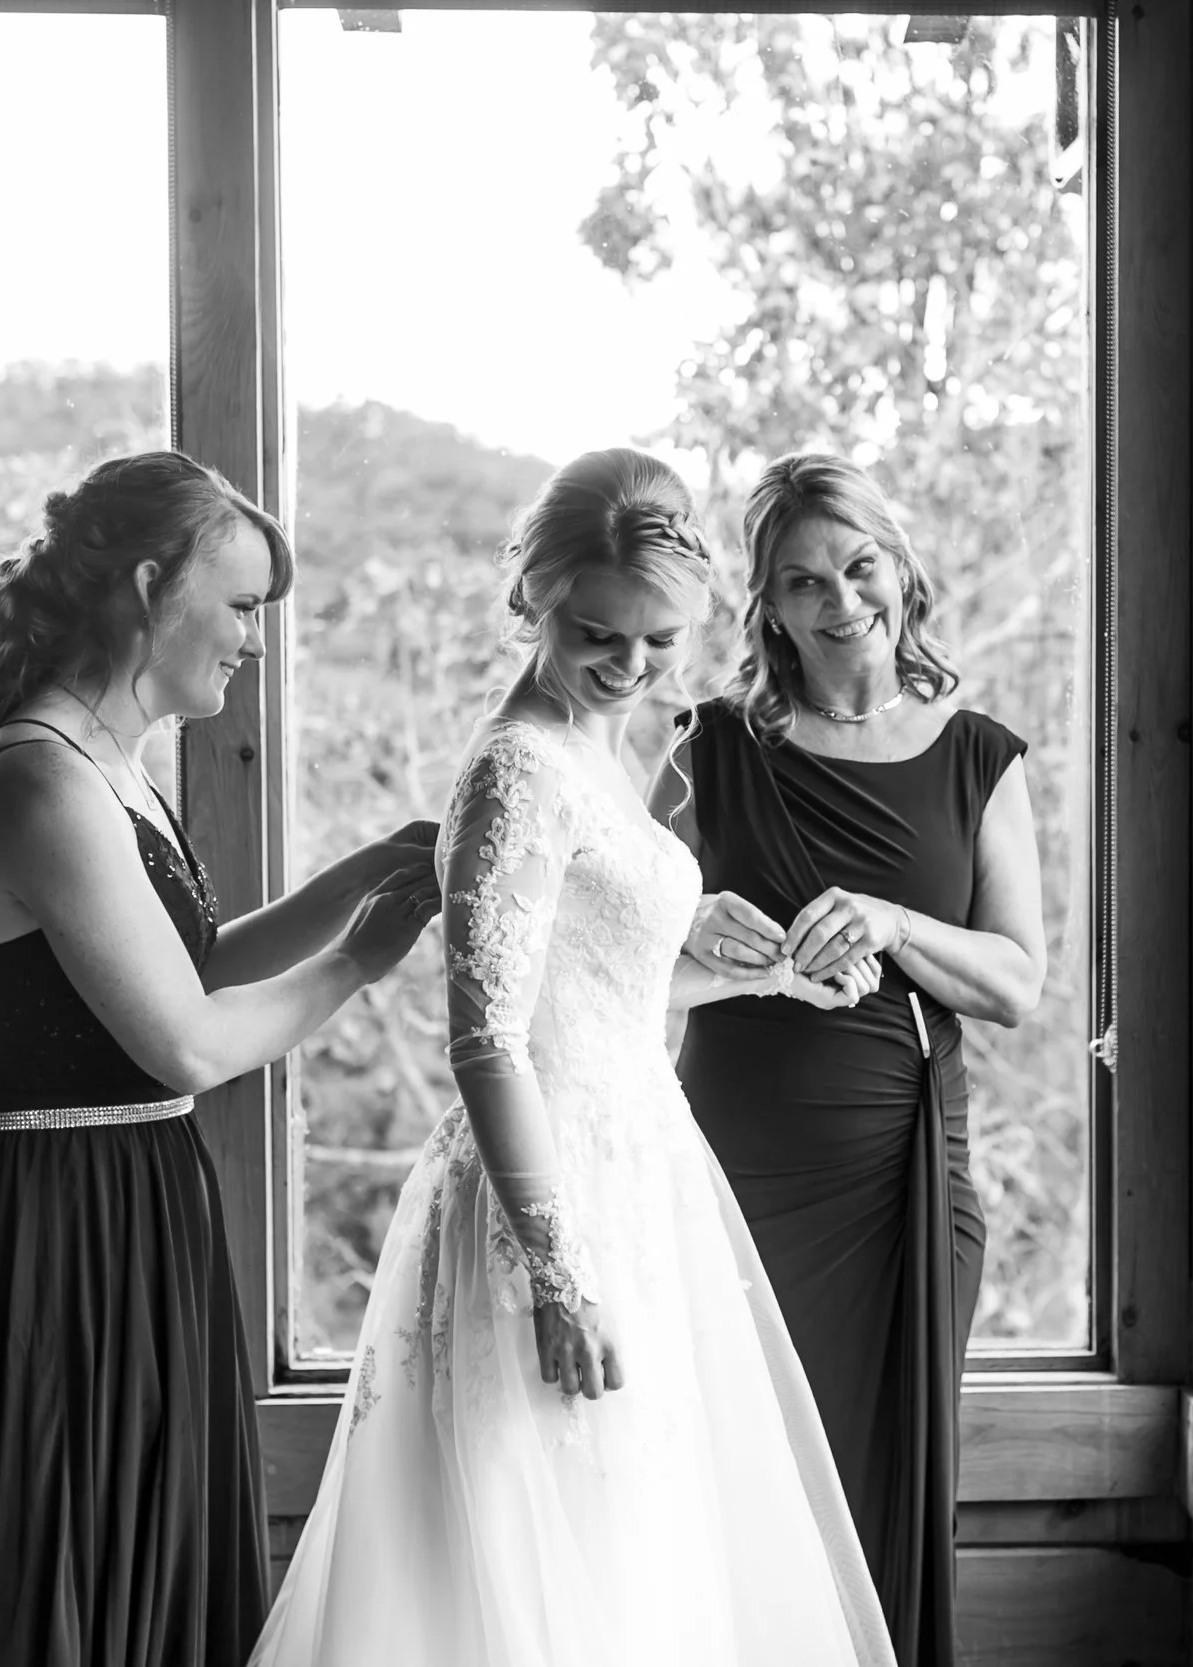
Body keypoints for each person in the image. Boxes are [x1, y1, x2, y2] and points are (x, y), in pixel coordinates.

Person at [251, 448, 896, 1667]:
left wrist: (778, 974)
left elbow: (601, 997)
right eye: (599, 634)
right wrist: (558, 1273)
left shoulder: (608, 745)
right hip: (550, 1202)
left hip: (641, 1175)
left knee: (640, 1545)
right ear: (532, 600)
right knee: (546, 1544)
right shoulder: (517, 771)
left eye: (660, 640)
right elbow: (489, 1039)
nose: (632, 665)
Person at [0, 451, 441, 1667]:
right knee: (62, 1562)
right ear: (146, 585)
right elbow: (185, 1039)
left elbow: (193, 965)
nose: (254, 641)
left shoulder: (105, 761)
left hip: (139, 1205)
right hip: (63, 1234)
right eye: (240, 606)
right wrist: (356, 962)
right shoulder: (41, 780)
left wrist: (370, 865)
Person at [651, 452, 1048, 1667]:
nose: (840, 600)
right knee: (734, 1490)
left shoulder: (979, 756)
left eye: (858, 565)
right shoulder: (707, 749)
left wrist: (896, 920)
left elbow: (1017, 983)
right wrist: (690, 922)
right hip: (733, 1178)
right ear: (767, 605)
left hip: (901, 1180)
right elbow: (606, 940)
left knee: (881, 1500)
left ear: (899, 568)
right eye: (802, 581)